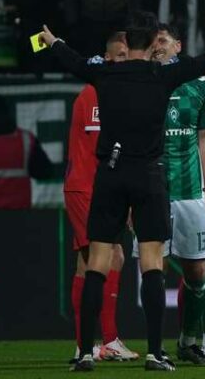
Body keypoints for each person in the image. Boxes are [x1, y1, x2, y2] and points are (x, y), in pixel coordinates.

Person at [40, 8, 205, 372]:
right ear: (155, 41)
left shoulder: (104, 72)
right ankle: (156, 352)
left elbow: (70, 59)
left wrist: (49, 40)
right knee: (153, 266)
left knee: (97, 264)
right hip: (148, 177)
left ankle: (85, 352)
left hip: (109, 176)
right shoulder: (164, 74)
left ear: (126, 42)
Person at [63, 31, 137, 363]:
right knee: (102, 259)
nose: (125, 61)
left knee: (96, 262)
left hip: (99, 188)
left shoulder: (109, 90)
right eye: (120, 56)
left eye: (128, 55)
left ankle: (96, 342)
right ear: (108, 59)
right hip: (86, 188)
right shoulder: (94, 93)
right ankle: (97, 342)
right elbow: (104, 150)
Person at [149, 26, 205, 366]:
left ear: (178, 46)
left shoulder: (198, 88)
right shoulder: (144, 84)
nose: (158, 47)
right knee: (154, 271)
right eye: (154, 42)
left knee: (197, 273)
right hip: (153, 192)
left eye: (164, 41)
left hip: (191, 193)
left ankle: (188, 342)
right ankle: (154, 346)